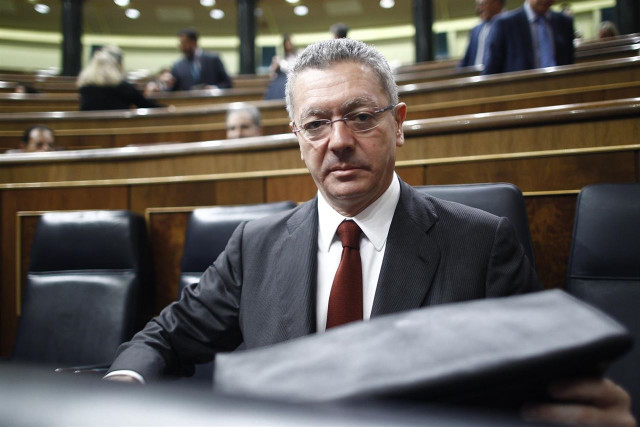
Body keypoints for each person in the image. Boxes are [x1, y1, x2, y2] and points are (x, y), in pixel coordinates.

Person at [106, 39, 634, 426]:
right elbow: (165, 337)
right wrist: (124, 382)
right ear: (298, 138)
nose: (338, 141)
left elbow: (547, 390)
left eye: (360, 117)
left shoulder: (482, 243)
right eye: (316, 124)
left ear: (398, 124)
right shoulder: (255, 246)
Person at [483, 0, 575, 74]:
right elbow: (492, 68)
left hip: (559, 86)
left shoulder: (564, 22)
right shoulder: (504, 24)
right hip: (519, 89)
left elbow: (569, 62)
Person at [77, 46, 162, 111]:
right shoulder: (124, 87)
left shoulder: (85, 87)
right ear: (119, 65)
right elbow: (145, 104)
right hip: (120, 129)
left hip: (88, 128)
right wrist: (168, 108)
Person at [459, 0, 505, 68]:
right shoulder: (476, 30)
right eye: (477, 5)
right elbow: (466, 60)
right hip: (475, 73)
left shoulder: (511, 25)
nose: (478, 9)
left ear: (496, 3)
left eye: (482, 4)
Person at [264, 34, 297, 100]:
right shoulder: (279, 58)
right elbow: (272, 75)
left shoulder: (297, 57)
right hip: (281, 82)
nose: (288, 46)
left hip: (293, 82)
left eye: (289, 43)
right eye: (286, 44)